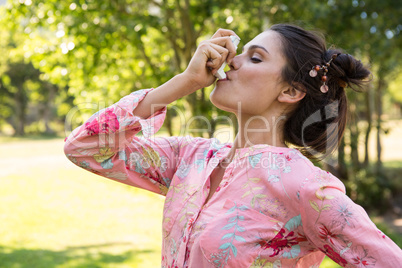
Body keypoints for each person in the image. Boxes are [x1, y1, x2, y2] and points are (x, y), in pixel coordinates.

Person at [64, 24, 402, 267]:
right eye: (241, 52)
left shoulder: (306, 187)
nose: (231, 62)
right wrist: (185, 82)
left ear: (290, 92)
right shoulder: (191, 158)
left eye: (255, 58)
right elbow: (85, 147)